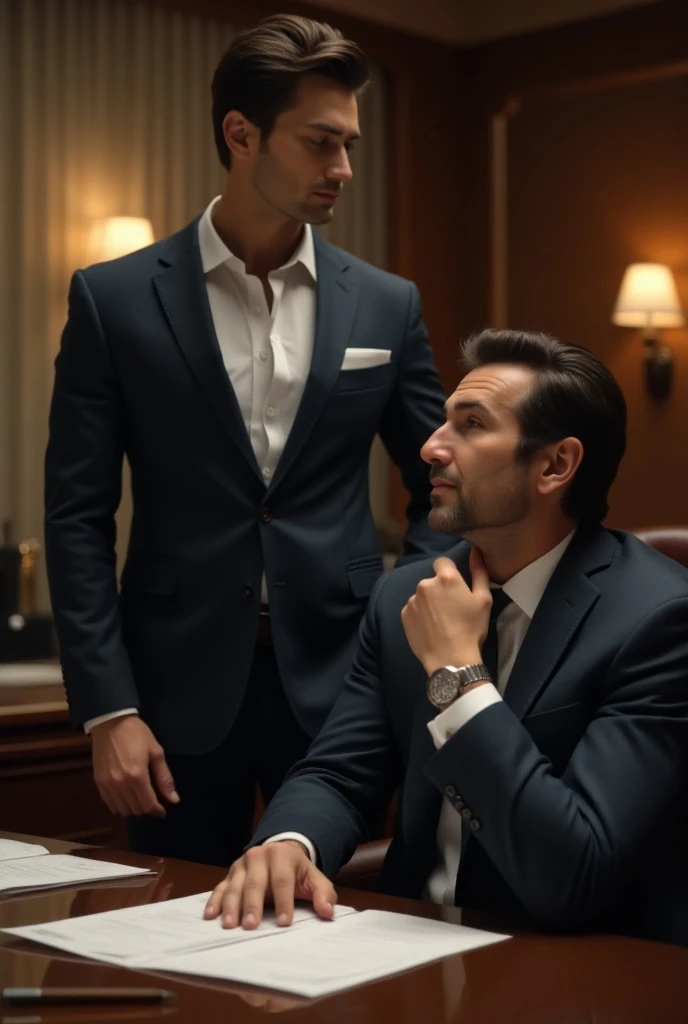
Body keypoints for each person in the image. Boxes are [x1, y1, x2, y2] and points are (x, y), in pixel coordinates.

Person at [44, 15, 451, 866]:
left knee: (343, 937)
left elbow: (442, 482)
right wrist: (108, 709)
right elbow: (76, 516)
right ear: (241, 134)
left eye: (350, 143)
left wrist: (401, 618)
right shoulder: (113, 301)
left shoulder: (386, 304)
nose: (343, 168)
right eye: (319, 142)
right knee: (167, 940)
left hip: (345, 686)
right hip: (170, 696)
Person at [206, 328, 688, 947]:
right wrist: (287, 842)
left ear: (555, 465)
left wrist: (458, 675)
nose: (431, 447)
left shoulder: (661, 621)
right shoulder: (405, 596)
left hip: (575, 968)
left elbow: (574, 872)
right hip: (406, 950)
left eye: (471, 425)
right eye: (442, 423)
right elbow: (338, 774)